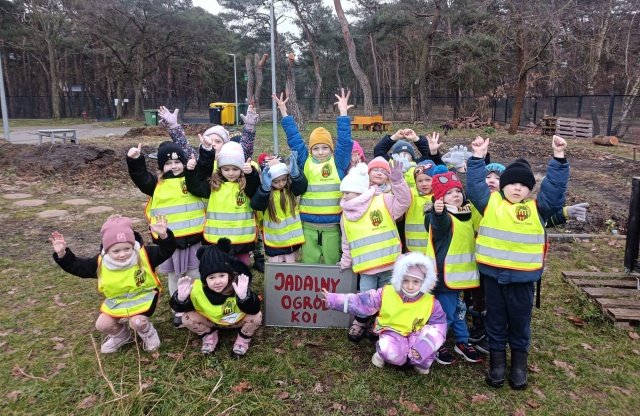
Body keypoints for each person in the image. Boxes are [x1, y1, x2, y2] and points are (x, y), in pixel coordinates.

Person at [466, 135, 569, 390]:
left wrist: (558, 158)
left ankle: (519, 368)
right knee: (496, 322)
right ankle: (498, 366)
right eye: (511, 183)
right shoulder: (489, 203)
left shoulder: (538, 209)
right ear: (503, 186)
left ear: (529, 189)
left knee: (520, 324)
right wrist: (478, 157)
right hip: (494, 277)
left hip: (523, 281)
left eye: (523, 185)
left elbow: (554, 191)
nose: (516, 188)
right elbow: (475, 185)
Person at [50, 215, 176, 353]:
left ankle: (148, 333)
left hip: (143, 298)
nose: (122, 254)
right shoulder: (100, 262)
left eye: (127, 249)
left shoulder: (145, 254)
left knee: (137, 322)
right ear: (107, 249)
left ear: (133, 245)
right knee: (102, 324)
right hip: (117, 301)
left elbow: (166, 251)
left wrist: (164, 236)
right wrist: (62, 254)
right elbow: (77, 266)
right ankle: (121, 335)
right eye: (116, 251)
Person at [322, 252, 447, 374]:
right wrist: (333, 300)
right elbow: (363, 302)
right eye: (406, 280)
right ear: (399, 278)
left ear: (423, 282)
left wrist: (423, 347)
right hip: (392, 332)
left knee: (427, 351)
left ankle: (418, 360)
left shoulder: (431, 302)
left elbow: (439, 326)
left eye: (415, 282)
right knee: (392, 353)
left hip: (416, 333)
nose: (410, 286)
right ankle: (382, 353)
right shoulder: (387, 292)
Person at [126, 141, 206, 328]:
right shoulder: (155, 184)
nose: (174, 166)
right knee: (175, 277)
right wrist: (136, 160)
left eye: (178, 162)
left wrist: (205, 152)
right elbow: (140, 177)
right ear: (161, 166)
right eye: (168, 163)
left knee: (195, 274)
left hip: (193, 239)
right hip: (169, 243)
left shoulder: (191, 180)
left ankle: (194, 304)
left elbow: (204, 171)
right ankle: (178, 308)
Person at [273, 88, 353, 265]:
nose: (320, 152)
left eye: (325, 148)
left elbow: (346, 142)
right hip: (308, 224)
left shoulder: (338, 163)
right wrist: (284, 113)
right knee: (310, 261)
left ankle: (333, 293)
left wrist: (343, 113)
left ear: (331, 150)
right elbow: (294, 139)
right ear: (310, 150)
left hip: (332, 226)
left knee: (332, 261)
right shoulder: (305, 161)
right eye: (316, 148)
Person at [338, 162, 411, 342]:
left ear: (360, 190)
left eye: (347, 192)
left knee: (387, 293)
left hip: (389, 262)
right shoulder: (345, 214)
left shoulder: (383, 200)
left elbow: (404, 202)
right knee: (366, 295)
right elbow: (347, 240)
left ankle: (382, 321)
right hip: (366, 267)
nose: (344, 196)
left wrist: (398, 181)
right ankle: (361, 320)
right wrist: (346, 259)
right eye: (343, 193)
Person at [425, 165, 483, 365]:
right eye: (449, 193)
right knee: (445, 314)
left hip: (461, 278)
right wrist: (438, 212)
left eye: (458, 191)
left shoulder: (466, 214)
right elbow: (436, 226)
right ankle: (435, 344)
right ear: (440, 198)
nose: (456, 195)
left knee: (459, 311)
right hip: (444, 278)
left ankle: (462, 340)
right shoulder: (441, 215)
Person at [170, 238, 262, 356]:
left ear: (229, 275)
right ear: (204, 279)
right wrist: (180, 299)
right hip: (210, 321)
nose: (217, 282)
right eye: (211, 278)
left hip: (235, 321)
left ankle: (243, 338)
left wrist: (245, 297)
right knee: (186, 318)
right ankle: (209, 335)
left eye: (222, 276)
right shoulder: (197, 288)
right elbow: (185, 308)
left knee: (256, 316)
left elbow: (254, 308)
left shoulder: (238, 284)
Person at [185, 141, 260, 266]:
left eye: (235, 169)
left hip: (242, 237)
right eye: (226, 169)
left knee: (241, 267)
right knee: (220, 267)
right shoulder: (214, 184)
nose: (231, 173)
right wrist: (190, 172)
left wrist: (251, 174)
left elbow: (255, 189)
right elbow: (195, 188)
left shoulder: (245, 184)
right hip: (217, 238)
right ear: (220, 169)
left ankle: (242, 285)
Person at [250, 152, 308, 262]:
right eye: (276, 181)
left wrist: (297, 175)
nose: (281, 184)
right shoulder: (265, 192)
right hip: (274, 242)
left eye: (284, 179)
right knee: (276, 270)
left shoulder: (289, 188)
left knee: (290, 270)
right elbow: (256, 204)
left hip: (291, 241)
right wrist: (265, 189)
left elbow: (301, 188)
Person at [373, 130, 444, 187]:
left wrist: (416, 139)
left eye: (407, 154)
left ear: (412, 156)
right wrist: (394, 137)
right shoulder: (388, 163)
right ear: (394, 155)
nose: (403, 156)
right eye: (400, 153)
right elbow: (378, 150)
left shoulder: (418, 165)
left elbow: (430, 156)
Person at [405, 160, 437, 253]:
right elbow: (399, 196)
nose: (424, 184)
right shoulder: (411, 193)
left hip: (436, 249)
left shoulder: (442, 195)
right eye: (420, 181)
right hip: (414, 250)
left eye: (428, 180)